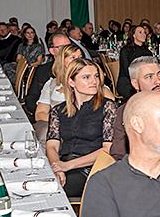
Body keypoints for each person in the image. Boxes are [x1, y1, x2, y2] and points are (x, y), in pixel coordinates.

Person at [46, 58, 117, 198]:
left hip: (93, 169)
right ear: (71, 82)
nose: (94, 81)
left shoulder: (108, 107)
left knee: (53, 191)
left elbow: (108, 149)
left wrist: (68, 166)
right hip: (65, 164)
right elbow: (52, 145)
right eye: (86, 77)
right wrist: (57, 167)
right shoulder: (59, 110)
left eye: (96, 76)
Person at [35, 44, 83, 123]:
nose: (78, 61)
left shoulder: (91, 82)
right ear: (62, 61)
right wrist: (62, 121)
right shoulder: (51, 84)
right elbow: (39, 114)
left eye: (80, 57)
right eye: (73, 57)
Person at [117, 25, 153, 99]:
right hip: (127, 82)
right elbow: (126, 70)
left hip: (143, 81)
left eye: (144, 32)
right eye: (140, 32)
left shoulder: (148, 52)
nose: (144, 34)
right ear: (133, 35)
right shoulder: (125, 50)